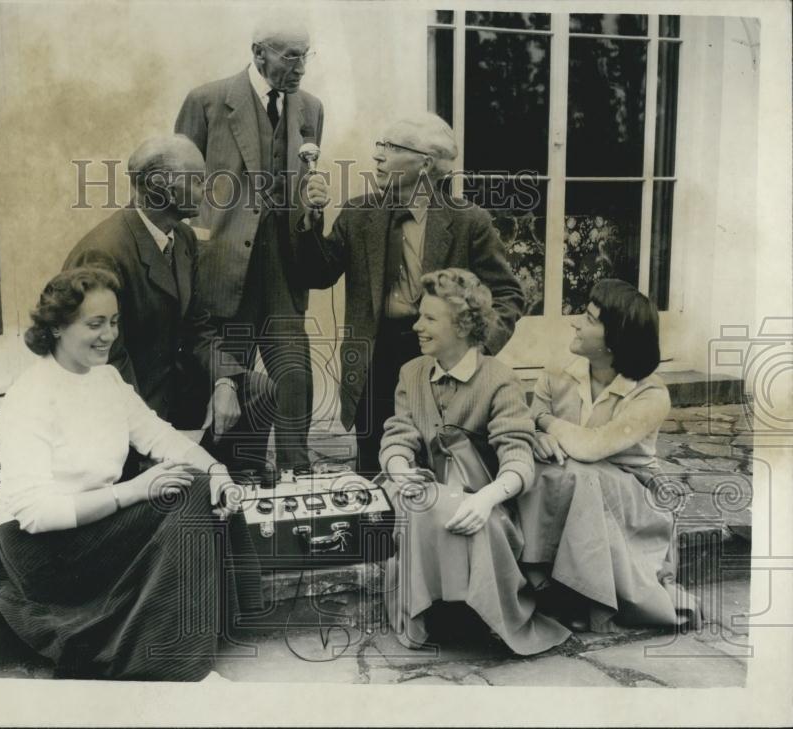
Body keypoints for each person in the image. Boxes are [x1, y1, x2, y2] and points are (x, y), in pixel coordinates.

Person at [0, 267, 261, 681]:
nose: (109, 335)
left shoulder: (106, 378)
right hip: (45, 552)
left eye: (114, 322)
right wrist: (134, 490)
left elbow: (157, 435)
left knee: (201, 484)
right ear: (57, 327)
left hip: (96, 525)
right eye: (94, 324)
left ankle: (200, 633)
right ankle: (176, 668)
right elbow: (35, 514)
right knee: (182, 497)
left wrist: (218, 471)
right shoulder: (30, 396)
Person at [299, 112, 525, 477]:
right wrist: (311, 219)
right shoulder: (359, 213)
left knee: (439, 465)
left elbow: (508, 294)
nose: (378, 155)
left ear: (426, 164)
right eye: (380, 145)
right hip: (375, 357)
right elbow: (318, 274)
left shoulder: (468, 221)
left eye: (391, 147)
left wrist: (475, 351)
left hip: (440, 358)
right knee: (376, 467)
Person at [379, 268, 569, 655]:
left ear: (463, 326)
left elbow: (517, 454)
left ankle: (479, 615)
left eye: (429, 318)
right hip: (425, 489)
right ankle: (435, 614)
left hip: (485, 498)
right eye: (420, 316)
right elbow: (398, 435)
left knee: (462, 515)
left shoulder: (499, 379)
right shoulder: (411, 373)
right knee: (418, 504)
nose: (417, 326)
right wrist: (399, 471)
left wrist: (485, 500)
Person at [64, 134, 274, 474]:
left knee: (256, 390)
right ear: (162, 187)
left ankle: (230, 487)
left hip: (174, 393)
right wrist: (154, 436)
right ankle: (187, 482)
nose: (208, 189)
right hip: (123, 408)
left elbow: (197, 327)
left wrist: (224, 381)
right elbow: (104, 363)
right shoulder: (104, 253)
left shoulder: (183, 237)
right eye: (198, 180)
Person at [174, 18, 324, 471]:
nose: (301, 67)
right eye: (290, 56)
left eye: (305, 55)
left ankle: (297, 474)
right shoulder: (206, 102)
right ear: (259, 52)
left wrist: (313, 209)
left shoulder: (311, 109)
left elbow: (303, 187)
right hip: (223, 270)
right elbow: (178, 185)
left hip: (284, 273)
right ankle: (233, 479)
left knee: (295, 379)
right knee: (231, 384)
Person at [517, 278, 701, 632]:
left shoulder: (650, 394)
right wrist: (537, 437)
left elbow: (591, 447)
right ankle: (548, 583)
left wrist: (544, 422)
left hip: (633, 498)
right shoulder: (557, 372)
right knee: (538, 469)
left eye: (588, 319)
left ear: (615, 340)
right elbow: (526, 422)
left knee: (581, 475)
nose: (575, 323)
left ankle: (579, 594)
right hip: (569, 480)